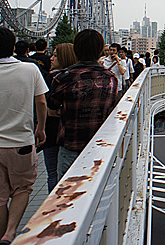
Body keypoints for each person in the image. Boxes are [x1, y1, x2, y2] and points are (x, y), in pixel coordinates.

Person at [0, 27, 48, 243]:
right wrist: (40, 128)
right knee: (23, 187)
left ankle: (5, 238)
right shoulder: (30, 70)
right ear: (13, 47)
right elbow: (41, 101)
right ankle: (11, 231)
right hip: (21, 141)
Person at [47, 29, 117, 180]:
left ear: (76, 50)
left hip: (71, 145)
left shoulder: (63, 77)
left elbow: (52, 109)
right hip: (99, 146)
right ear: (100, 51)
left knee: (66, 195)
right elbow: (111, 108)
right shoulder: (111, 78)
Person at [40, 43, 77, 193]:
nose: (51, 58)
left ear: (64, 57)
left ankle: (53, 206)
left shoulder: (54, 77)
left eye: (55, 55)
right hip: (70, 132)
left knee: (53, 173)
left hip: (52, 131)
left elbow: (49, 107)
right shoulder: (77, 76)